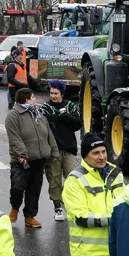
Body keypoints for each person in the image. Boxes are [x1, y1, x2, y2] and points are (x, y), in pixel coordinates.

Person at [63, 133, 125, 256]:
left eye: (103, 152)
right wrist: (114, 219)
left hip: (116, 251)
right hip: (89, 255)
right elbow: (81, 217)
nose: (102, 157)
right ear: (85, 156)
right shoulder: (75, 180)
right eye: (96, 153)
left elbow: (125, 204)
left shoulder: (116, 174)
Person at [5, 88, 58, 228]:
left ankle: (30, 216)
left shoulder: (38, 113)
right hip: (22, 160)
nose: (35, 99)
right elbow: (14, 138)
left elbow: (48, 134)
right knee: (18, 186)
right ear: (26, 100)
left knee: (34, 189)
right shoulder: (14, 115)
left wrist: (54, 152)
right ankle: (14, 208)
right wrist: (22, 154)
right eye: (33, 97)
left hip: (39, 159)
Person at [40, 80, 82, 221]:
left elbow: (77, 124)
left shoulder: (69, 106)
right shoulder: (45, 108)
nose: (53, 96)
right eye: (51, 93)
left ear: (62, 94)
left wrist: (65, 116)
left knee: (73, 177)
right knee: (55, 179)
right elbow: (40, 127)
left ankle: (72, 204)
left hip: (69, 148)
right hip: (53, 150)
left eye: (56, 93)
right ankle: (57, 207)